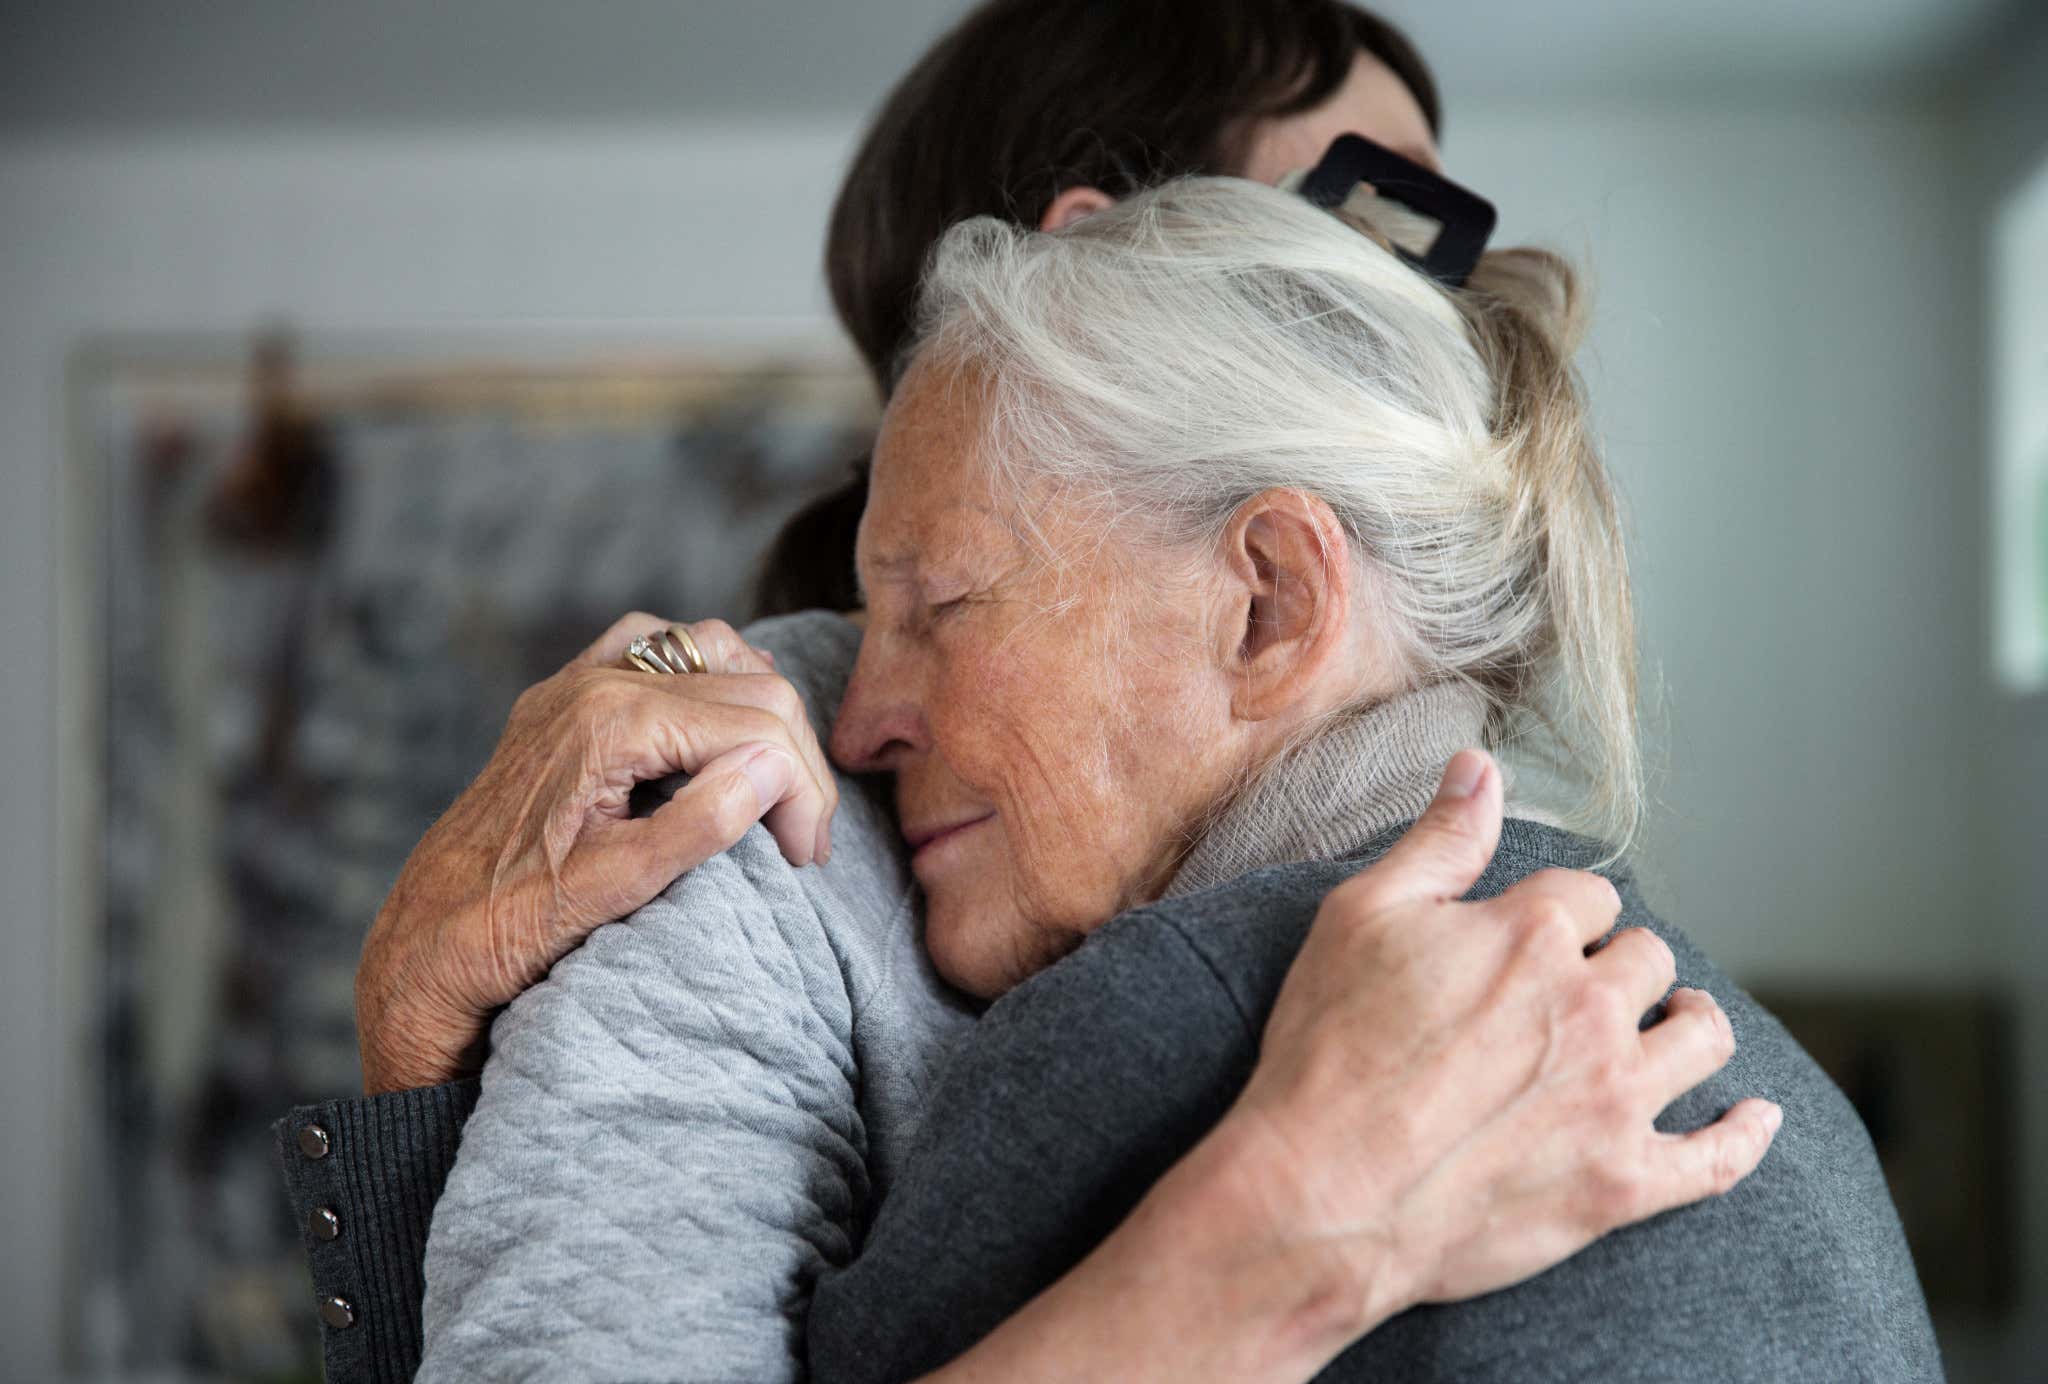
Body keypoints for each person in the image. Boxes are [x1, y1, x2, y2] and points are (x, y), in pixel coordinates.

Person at [273, 4, 1776, 1379]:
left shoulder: (1496, 884)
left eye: (1439, 253)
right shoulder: (751, 815)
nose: (1431, 320)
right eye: (1373, 225)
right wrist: (1290, 1235)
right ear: (1110, 254)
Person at [792, 177, 1939, 1380]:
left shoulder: (1142, 1029)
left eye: (940, 603)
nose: (858, 723)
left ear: (1268, 602)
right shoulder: (1769, 1076)